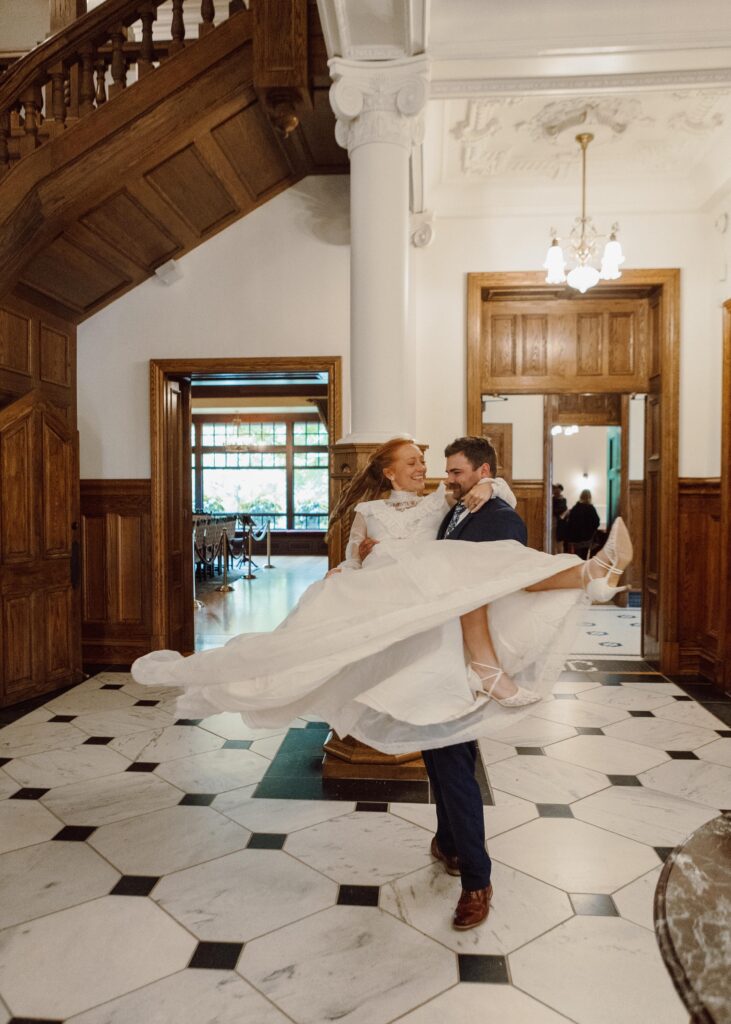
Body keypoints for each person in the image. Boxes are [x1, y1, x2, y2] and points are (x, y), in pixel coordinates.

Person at [131, 435, 632, 925]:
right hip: (396, 632)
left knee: (449, 745)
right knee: (440, 744)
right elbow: (353, 560)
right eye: (413, 462)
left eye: (427, 462)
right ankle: (453, 844)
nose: (425, 469)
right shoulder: (372, 515)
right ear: (389, 472)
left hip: (435, 640)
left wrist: (492, 482)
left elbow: (487, 497)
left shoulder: (446, 502)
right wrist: (353, 567)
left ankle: (476, 877)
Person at [566, 488, 601, 559]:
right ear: (589, 497)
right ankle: (583, 569)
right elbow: (597, 522)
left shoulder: (575, 508)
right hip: (587, 538)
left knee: (577, 556)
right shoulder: (591, 508)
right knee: (584, 556)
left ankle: (578, 568)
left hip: (575, 538)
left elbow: (570, 523)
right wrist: (591, 531)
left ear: (581, 496)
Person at [552, 483, 568, 553]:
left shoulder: (563, 500)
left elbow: (563, 510)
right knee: (554, 541)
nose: (556, 492)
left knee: (560, 541)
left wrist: (565, 512)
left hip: (561, 523)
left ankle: (560, 555)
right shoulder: (552, 499)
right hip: (554, 522)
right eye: (555, 490)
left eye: (558, 490)